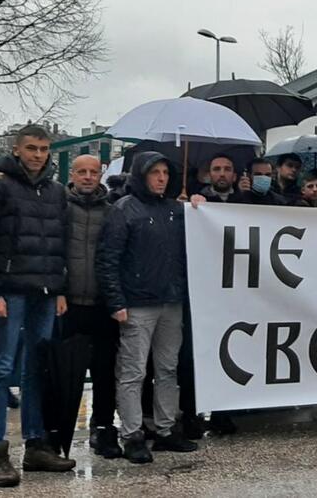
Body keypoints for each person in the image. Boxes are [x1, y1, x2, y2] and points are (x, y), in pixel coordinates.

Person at [97, 152, 198, 464]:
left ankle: (166, 429)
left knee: (168, 369)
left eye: (165, 172)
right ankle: (132, 434)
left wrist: (197, 207)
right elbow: (108, 258)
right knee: (133, 371)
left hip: (171, 301)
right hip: (137, 304)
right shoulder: (123, 210)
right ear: (141, 175)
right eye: (155, 172)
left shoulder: (174, 211)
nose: (161, 178)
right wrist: (116, 302)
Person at [0, 125, 75, 487]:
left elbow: (61, 242)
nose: (38, 154)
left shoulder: (57, 191)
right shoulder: (1, 185)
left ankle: (36, 444)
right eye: (31, 148)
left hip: (45, 290)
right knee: (2, 368)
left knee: (36, 369)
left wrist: (60, 288)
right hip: (9, 289)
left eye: (44, 148)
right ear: (17, 150)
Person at [63, 155, 122, 458]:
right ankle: (56, 432)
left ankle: (103, 428)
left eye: (93, 172)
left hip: (102, 304)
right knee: (62, 373)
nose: (88, 177)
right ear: (71, 175)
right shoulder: (60, 208)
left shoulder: (113, 212)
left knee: (104, 372)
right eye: (81, 172)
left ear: (101, 175)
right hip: (68, 303)